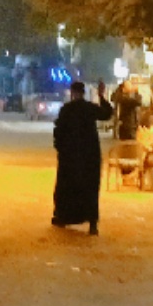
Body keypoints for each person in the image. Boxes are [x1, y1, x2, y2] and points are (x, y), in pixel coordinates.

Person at [51, 79, 113, 234]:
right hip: (89, 155)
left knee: (67, 187)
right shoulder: (89, 108)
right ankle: (92, 223)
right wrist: (101, 96)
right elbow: (107, 114)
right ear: (84, 93)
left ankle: (64, 217)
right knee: (89, 188)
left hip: (70, 156)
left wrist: (61, 150)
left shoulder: (66, 110)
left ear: (72, 93)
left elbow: (58, 132)